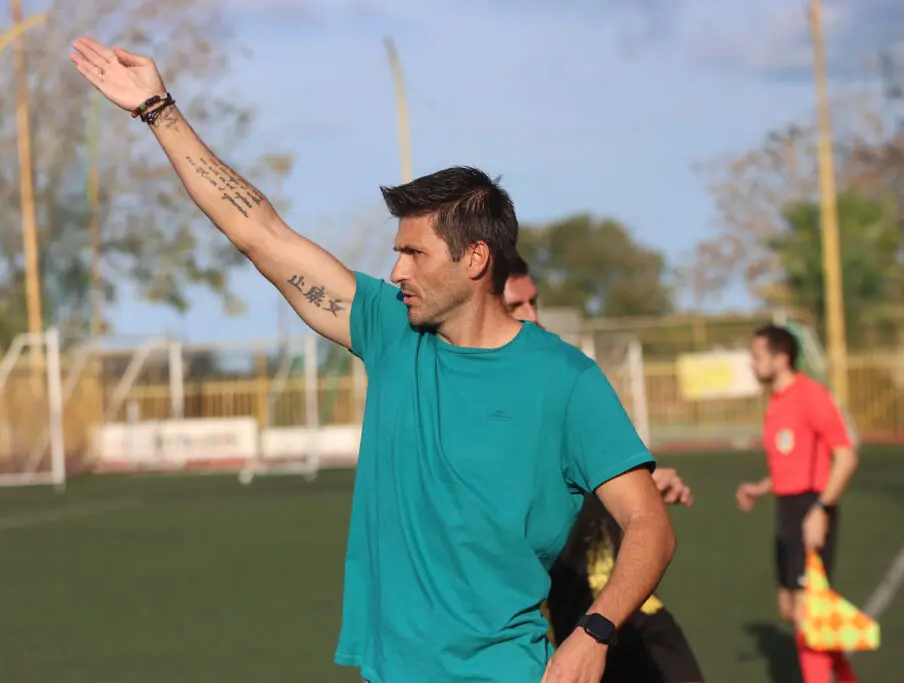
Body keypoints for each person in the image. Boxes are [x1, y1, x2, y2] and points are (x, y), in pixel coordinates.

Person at [70, 38, 677, 683]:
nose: (396, 271)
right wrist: (159, 111)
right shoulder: (391, 330)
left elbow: (649, 524)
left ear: (475, 259)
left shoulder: (565, 380)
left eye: (415, 254)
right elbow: (258, 232)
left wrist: (595, 631)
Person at [505, 257, 705, 683]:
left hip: (625, 608)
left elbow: (581, 472)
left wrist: (636, 484)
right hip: (566, 626)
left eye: (534, 302)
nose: (532, 315)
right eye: (515, 306)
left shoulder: (562, 374)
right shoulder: (486, 411)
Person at [735, 324, 860, 683]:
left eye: (757, 355)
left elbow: (846, 457)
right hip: (786, 513)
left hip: (811, 509)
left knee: (808, 612)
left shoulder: (812, 396)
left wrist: (821, 509)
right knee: (791, 608)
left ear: (781, 357)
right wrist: (762, 487)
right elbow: (793, 461)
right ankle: (846, 677)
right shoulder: (777, 402)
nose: (752, 363)